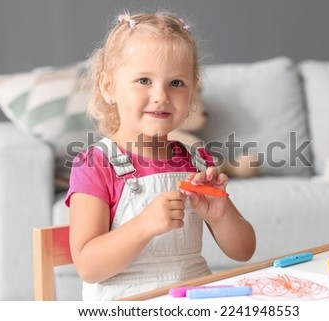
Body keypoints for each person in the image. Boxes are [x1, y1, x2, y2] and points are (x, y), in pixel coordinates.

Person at [65, 11, 256, 301]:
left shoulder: (198, 161)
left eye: (176, 83)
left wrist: (220, 215)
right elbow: (89, 267)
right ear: (109, 87)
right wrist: (144, 225)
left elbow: (244, 251)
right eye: (144, 80)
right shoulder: (95, 164)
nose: (161, 95)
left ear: (192, 92)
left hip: (191, 300)